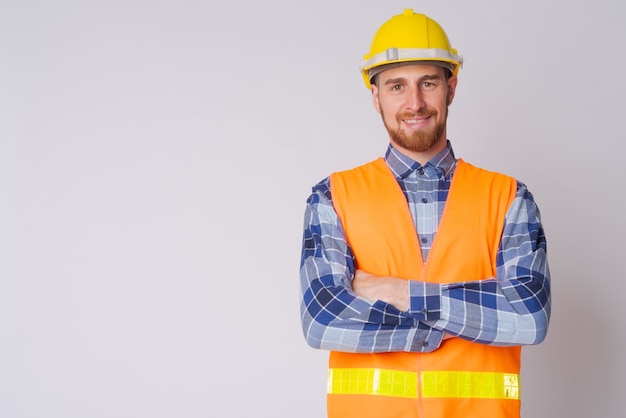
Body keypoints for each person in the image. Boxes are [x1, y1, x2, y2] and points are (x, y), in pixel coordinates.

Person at [299, 9, 551, 418]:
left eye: (428, 83)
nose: (414, 102)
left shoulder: (508, 196)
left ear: (451, 88)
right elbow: (323, 321)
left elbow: (529, 317)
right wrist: (458, 322)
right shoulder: (333, 196)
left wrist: (398, 293)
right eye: (397, 86)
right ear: (375, 95)